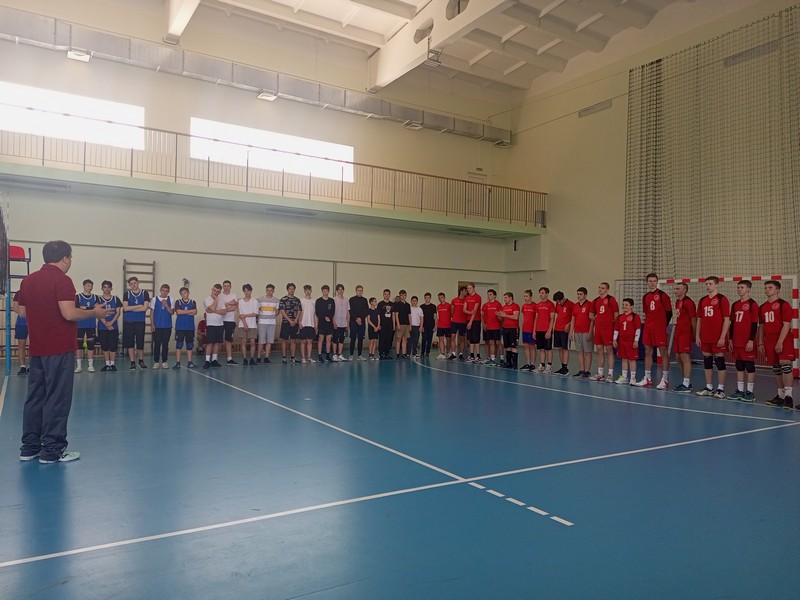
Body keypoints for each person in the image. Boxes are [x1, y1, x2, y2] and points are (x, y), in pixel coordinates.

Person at [17, 240, 112, 464]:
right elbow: (69, 313)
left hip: (37, 349)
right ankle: (52, 450)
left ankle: (30, 448)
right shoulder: (62, 280)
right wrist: (94, 313)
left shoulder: (28, 280)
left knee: (35, 397)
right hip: (59, 349)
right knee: (57, 398)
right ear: (65, 258)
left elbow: (21, 311)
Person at [759, 280, 795, 409]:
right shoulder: (762, 307)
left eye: (770, 287)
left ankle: (789, 397)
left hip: (783, 338)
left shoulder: (784, 305)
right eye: (766, 288)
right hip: (769, 339)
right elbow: (761, 326)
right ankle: (780, 396)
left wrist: (780, 341)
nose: (767, 290)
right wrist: (760, 343)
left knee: (785, 365)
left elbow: (787, 325)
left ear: (778, 290)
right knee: (776, 368)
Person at [635, 273, 673, 390]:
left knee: (663, 352)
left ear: (657, 282)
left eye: (654, 281)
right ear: (647, 282)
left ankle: (665, 379)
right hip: (648, 328)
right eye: (650, 281)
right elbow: (647, 312)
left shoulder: (663, 295)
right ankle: (647, 378)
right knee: (648, 351)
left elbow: (669, 312)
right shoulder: (645, 297)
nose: (652, 283)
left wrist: (662, 325)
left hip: (659, 329)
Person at [695, 276, 730, 398]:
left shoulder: (722, 299)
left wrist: (722, 337)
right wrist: (697, 336)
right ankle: (709, 387)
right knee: (707, 361)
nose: (708, 286)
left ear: (716, 285)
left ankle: (721, 389)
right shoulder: (702, 300)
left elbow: (726, 319)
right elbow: (699, 320)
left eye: (710, 284)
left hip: (717, 337)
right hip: (705, 336)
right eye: (706, 284)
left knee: (720, 361)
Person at [727, 281, 758, 401]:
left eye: (742, 287)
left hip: (747, 341)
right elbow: (732, 323)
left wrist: (751, 340)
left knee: (749, 365)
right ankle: (740, 391)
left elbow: (754, 324)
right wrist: (730, 339)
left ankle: (750, 393)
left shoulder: (752, 304)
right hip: (736, 340)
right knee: (739, 365)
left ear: (748, 289)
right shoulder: (735, 304)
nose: (739, 289)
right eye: (738, 287)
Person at [671, 283, 697, 392]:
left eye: (678, 288)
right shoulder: (678, 302)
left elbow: (693, 319)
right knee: (678, 357)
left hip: (686, 333)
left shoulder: (688, 302)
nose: (675, 290)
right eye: (675, 288)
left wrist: (695, 334)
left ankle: (686, 384)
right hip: (678, 332)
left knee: (685, 356)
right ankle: (686, 382)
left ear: (684, 290)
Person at [591, 282, 619, 383]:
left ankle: (610, 374)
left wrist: (613, 325)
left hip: (608, 329)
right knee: (599, 349)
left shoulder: (611, 299)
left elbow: (616, 314)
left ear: (607, 289)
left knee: (609, 350)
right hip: (598, 329)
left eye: (603, 288)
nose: (600, 290)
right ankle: (600, 373)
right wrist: (598, 320)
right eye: (599, 288)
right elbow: (591, 315)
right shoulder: (595, 301)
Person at [122, 276, 150, 370]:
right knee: (130, 343)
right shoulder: (127, 294)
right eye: (131, 284)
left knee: (140, 342)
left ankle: (141, 360)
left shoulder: (145, 293)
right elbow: (125, 308)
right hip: (128, 321)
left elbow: (145, 308)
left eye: (134, 283)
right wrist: (138, 306)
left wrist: (131, 309)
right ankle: (132, 362)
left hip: (140, 321)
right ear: (129, 285)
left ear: (138, 283)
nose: (133, 285)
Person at [613, 299, 642, 385]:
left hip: (631, 341)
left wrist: (636, 340)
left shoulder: (635, 317)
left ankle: (633, 378)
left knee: (632, 359)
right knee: (624, 359)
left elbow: (638, 329)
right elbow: (616, 329)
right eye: (623, 304)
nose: (624, 306)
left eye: (626, 305)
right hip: (622, 341)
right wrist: (614, 339)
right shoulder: (620, 317)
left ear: (631, 306)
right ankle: (624, 377)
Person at [75, 279, 99, 373]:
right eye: (88, 285)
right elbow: (77, 308)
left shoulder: (95, 297)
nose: (90, 287)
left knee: (91, 345)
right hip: (80, 324)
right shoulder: (78, 297)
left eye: (91, 285)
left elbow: (97, 308)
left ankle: (90, 365)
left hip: (91, 324)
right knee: (79, 345)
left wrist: (85, 308)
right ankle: (79, 366)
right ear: (84, 286)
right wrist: (91, 308)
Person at [97, 281, 122, 372]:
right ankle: (107, 364)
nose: (106, 289)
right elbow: (98, 312)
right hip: (102, 327)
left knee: (113, 346)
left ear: (111, 288)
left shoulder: (116, 299)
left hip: (113, 327)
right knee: (105, 346)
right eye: (105, 287)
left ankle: (112, 364)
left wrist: (111, 322)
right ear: (102, 288)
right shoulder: (98, 299)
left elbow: (118, 312)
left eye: (108, 287)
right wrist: (106, 324)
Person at [570, 287, 593, 379]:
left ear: (585, 295)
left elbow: (592, 320)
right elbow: (573, 319)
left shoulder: (590, 304)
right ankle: (581, 370)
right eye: (578, 294)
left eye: (581, 294)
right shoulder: (575, 305)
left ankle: (587, 371)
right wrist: (571, 331)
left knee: (587, 352)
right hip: (577, 331)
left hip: (586, 331)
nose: (579, 296)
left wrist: (590, 332)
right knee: (579, 351)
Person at [150, 284, 174, 369]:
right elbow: (152, 313)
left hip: (167, 326)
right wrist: (152, 324)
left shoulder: (171, 299)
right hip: (157, 326)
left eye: (166, 291)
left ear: (168, 291)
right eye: (163, 290)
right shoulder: (154, 299)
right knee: (157, 344)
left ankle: (164, 361)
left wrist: (166, 305)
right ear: (160, 290)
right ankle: (156, 361)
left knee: (165, 344)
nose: (164, 292)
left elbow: (172, 312)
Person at [173, 286, 197, 369]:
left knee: (190, 345)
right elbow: (178, 312)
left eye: (185, 293)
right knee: (179, 344)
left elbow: (194, 312)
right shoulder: (178, 302)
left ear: (188, 293)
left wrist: (184, 312)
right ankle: (178, 363)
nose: (183, 295)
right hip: (180, 327)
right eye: (182, 294)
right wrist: (190, 311)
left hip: (190, 327)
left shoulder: (193, 302)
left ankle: (189, 362)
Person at [533, 287, 556, 374]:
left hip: (546, 330)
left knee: (548, 348)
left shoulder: (551, 305)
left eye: (542, 293)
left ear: (547, 294)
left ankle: (549, 366)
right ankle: (542, 365)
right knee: (541, 349)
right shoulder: (538, 305)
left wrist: (549, 331)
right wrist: (534, 331)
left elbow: (552, 319)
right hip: (539, 330)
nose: (541, 295)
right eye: (540, 293)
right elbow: (536, 318)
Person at [278, 283, 302, 364]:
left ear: (294, 290)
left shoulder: (297, 300)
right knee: (284, 340)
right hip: (286, 322)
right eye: (290, 289)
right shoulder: (283, 299)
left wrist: (295, 320)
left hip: (294, 323)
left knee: (293, 340)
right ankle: (284, 357)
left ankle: (293, 357)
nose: (291, 290)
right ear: (287, 290)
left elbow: (299, 311)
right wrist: (289, 320)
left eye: (293, 289)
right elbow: (282, 311)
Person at [256, 284, 280, 364]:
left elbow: (277, 311)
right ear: (266, 291)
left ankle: (266, 357)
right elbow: (257, 310)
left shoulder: (276, 300)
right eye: (268, 290)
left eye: (271, 290)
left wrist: (274, 314)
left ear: (273, 291)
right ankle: (258, 357)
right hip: (262, 323)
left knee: (269, 341)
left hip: (272, 323)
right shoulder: (260, 299)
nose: (269, 292)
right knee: (261, 341)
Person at [497, 292, 520, 370]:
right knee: (507, 347)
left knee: (513, 346)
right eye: (504, 297)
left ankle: (515, 364)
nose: (504, 299)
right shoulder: (503, 307)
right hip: (505, 328)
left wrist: (505, 315)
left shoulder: (515, 306)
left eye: (506, 297)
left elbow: (516, 317)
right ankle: (509, 362)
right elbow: (502, 319)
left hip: (513, 328)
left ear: (510, 298)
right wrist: (500, 316)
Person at [203, 284, 224, 369]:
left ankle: (214, 360)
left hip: (220, 324)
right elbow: (211, 308)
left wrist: (214, 310)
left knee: (217, 343)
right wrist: (216, 300)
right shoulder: (206, 299)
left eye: (218, 291)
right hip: (211, 324)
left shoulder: (221, 301)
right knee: (210, 343)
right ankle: (207, 361)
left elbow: (224, 312)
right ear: (212, 289)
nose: (216, 292)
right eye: (215, 290)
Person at [553, 291, 573, 375]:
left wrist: (569, 324)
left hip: (565, 330)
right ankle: (562, 367)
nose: (559, 303)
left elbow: (574, 317)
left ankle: (565, 368)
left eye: (560, 301)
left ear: (563, 298)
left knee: (565, 348)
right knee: (559, 348)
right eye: (557, 301)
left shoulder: (570, 304)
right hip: (557, 328)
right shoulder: (557, 304)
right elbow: (558, 314)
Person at [218, 280, 239, 365]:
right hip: (219, 320)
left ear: (230, 287)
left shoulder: (234, 295)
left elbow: (234, 308)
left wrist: (223, 308)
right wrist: (229, 303)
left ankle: (229, 359)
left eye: (228, 286)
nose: (226, 287)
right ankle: (214, 359)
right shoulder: (219, 295)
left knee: (228, 340)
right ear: (223, 287)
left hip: (230, 320)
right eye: (225, 286)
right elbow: (218, 307)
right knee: (218, 340)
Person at [238, 284, 259, 365]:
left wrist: (246, 315)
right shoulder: (240, 301)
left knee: (252, 342)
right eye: (245, 291)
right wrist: (245, 324)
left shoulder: (255, 301)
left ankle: (252, 358)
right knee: (243, 341)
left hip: (252, 324)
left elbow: (255, 313)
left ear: (251, 291)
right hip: (242, 324)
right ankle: (244, 358)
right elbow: (241, 315)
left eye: (248, 291)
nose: (247, 293)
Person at [481, 289, 502, 366]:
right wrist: (484, 324)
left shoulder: (498, 304)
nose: (489, 296)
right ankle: (492, 359)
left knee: (498, 343)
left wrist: (500, 318)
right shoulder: (485, 305)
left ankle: (501, 358)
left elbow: (501, 315)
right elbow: (482, 315)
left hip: (496, 327)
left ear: (494, 296)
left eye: (490, 294)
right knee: (491, 342)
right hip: (489, 327)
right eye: (488, 294)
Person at [315, 285, 335, 363]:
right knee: (321, 339)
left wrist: (329, 317)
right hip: (321, 323)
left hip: (329, 323)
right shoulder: (318, 301)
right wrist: (324, 317)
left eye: (326, 291)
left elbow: (333, 311)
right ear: (322, 291)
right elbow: (317, 312)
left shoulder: (331, 301)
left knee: (328, 339)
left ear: (328, 291)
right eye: (324, 291)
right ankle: (319, 355)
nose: (325, 292)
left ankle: (327, 355)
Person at [349, 285, 369, 361]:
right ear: (356, 291)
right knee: (353, 338)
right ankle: (351, 355)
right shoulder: (352, 299)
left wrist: (361, 318)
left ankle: (359, 355)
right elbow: (350, 311)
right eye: (358, 290)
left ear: (362, 291)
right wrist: (356, 318)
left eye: (361, 290)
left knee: (360, 338)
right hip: (353, 322)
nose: (360, 292)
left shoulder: (365, 300)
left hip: (362, 322)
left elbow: (366, 311)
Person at [448, 286, 468, 360]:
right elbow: (452, 311)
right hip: (454, 322)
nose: (466, 292)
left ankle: (461, 354)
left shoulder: (466, 301)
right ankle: (453, 354)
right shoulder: (454, 300)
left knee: (462, 338)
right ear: (461, 291)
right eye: (465, 291)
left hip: (463, 322)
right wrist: (454, 317)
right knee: (453, 337)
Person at [464, 283, 482, 362]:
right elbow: (464, 309)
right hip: (468, 319)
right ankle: (471, 355)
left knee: (476, 338)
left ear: (474, 288)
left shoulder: (477, 297)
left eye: (470, 288)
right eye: (468, 288)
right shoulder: (467, 298)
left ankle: (478, 355)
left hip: (476, 320)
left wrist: (471, 322)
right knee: (471, 338)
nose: (469, 290)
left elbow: (475, 311)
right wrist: (469, 312)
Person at [520, 289, 537, 372]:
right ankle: (528, 362)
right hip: (525, 329)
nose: (525, 298)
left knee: (532, 346)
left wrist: (534, 330)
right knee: (526, 346)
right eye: (524, 296)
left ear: (530, 296)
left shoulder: (535, 306)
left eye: (526, 296)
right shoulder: (524, 306)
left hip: (531, 329)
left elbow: (536, 318)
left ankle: (533, 364)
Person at [12, 290, 29, 375]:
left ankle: (32, 365)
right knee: (21, 344)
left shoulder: (36, 291)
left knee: (35, 344)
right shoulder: (19, 293)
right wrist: (25, 315)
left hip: (34, 321)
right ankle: (22, 366)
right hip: (21, 322)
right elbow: (15, 307)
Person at [299, 285, 316, 363]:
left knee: (310, 341)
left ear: (311, 291)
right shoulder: (301, 301)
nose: (308, 291)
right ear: (304, 291)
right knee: (303, 341)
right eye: (306, 290)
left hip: (311, 324)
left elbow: (314, 314)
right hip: (303, 323)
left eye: (309, 290)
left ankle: (309, 357)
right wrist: (299, 322)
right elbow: (299, 312)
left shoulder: (314, 301)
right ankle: (303, 358)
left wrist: (315, 323)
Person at [333, 284, 349, 361]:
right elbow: (332, 312)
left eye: (342, 289)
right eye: (339, 289)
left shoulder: (346, 300)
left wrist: (347, 323)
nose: (340, 291)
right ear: (337, 291)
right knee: (335, 339)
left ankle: (340, 354)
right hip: (336, 323)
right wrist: (333, 322)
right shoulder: (334, 300)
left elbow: (348, 312)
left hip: (344, 323)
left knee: (342, 338)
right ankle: (334, 354)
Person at [393, 290, 411, 358]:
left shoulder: (408, 305)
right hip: (400, 324)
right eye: (401, 295)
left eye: (404, 295)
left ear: (406, 296)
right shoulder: (397, 304)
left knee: (405, 339)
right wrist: (398, 324)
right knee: (398, 339)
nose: (403, 297)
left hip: (407, 324)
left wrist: (410, 325)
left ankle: (404, 353)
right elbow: (396, 315)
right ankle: (397, 353)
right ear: (400, 296)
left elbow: (409, 315)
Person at [377, 289, 394, 360]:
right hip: (382, 325)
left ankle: (387, 353)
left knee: (388, 339)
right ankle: (381, 353)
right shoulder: (380, 304)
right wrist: (379, 324)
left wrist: (393, 324)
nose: (386, 295)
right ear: (383, 295)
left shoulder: (392, 304)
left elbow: (393, 315)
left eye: (388, 294)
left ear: (389, 295)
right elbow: (378, 315)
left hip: (390, 325)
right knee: (382, 339)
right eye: (385, 294)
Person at [420, 292, 436, 359]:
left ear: (430, 298)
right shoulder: (421, 306)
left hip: (431, 326)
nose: (427, 299)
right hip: (424, 326)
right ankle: (422, 352)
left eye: (428, 298)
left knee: (429, 339)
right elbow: (420, 317)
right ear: (424, 298)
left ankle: (427, 352)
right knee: (424, 339)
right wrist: (421, 326)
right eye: (426, 298)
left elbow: (435, 317)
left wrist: (435, 326)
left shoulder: (433, 306)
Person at [435, 292, 451, 359]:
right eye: (439, 298)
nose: (440, 299)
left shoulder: (449, 305)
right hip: (440, 326)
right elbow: (436, 316)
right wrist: (436, 325)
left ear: (444, 298)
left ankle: (448, 352)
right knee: (441, 340)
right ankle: (442, 353)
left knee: (448, 340)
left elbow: (452, 314)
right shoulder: (438, 306)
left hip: (448, 326)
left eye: (441, 297)